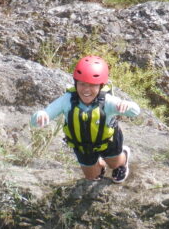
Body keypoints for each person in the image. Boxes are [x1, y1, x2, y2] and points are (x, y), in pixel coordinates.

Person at [31, 55, 140, 183]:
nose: (86, 90)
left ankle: (123, 158)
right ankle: (99, 165)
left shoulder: (108, 102)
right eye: (82, 84)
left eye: (92, 85)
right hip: (82, 145)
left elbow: (135, 111)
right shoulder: (67, 100)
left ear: (100, 86)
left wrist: (126, 105)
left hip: (108, 141)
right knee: (91, 177)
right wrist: (40, 116)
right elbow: (41, 117)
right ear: (75, 83)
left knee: (114, 163)